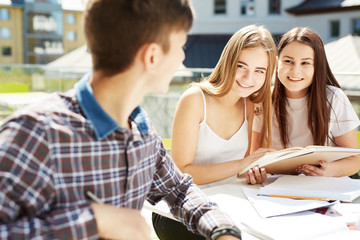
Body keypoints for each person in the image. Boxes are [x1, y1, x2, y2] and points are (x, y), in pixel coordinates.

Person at [0, 1, 243, 239]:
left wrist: (223, 230)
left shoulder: (141, 129)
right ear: (152, 56)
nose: (182, 58)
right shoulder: (36, 133)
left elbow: (179, 191)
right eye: (181, 45)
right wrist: (96, 221)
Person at [152, 25, 277, 240]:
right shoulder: (194, 99)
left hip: (228, 202)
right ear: (228, 61)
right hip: (181, 209)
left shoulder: (252, 105)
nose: (249, 77)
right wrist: (241, 165)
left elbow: (246, 167)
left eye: (259, 71)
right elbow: (181, 172)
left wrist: (253, 172)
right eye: (241, 66)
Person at [251, 27, 360, 183]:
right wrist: (256, 171)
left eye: (305, 63)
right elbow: (254, 156)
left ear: (317, 67)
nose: (296, 71)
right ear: (276, 63)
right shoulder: (263, 99)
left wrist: (329, 170)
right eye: (288, 61)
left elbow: (355, 159)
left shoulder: (334, 98)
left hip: (324, 186)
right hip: (277, 187)